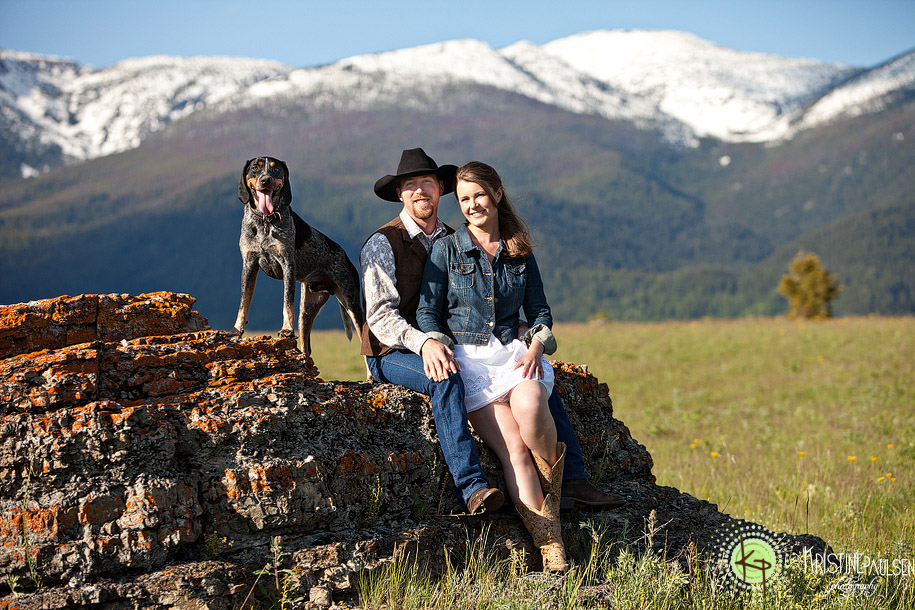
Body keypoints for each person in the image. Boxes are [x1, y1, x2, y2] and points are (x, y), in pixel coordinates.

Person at [360, 148, 624, 517]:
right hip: (391, 352)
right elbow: (380, 318)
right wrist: (427, 343)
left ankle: (573, 479)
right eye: (410, 185)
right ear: (401, 195)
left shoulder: (453, 239)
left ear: (439, 189)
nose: (420, 191)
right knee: (445, 378)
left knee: (536, 373)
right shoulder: (382, 243)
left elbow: (484, 303)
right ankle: (472, 486)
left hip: (446, 341)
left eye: (427, 182)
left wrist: (515, 330)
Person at [416, 160, 568, 571]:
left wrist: (537, 342)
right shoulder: (447, 249)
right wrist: (435, 343)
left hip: (514, 352)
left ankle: (552, 498)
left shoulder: (519, 250)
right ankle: (551, 543)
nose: (472, 205)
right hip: (470, 361)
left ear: (497, 194)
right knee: (514, 450)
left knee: (532, 410)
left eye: (479, 195)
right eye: (464, 199)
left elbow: (540, 311)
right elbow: (427, 312)